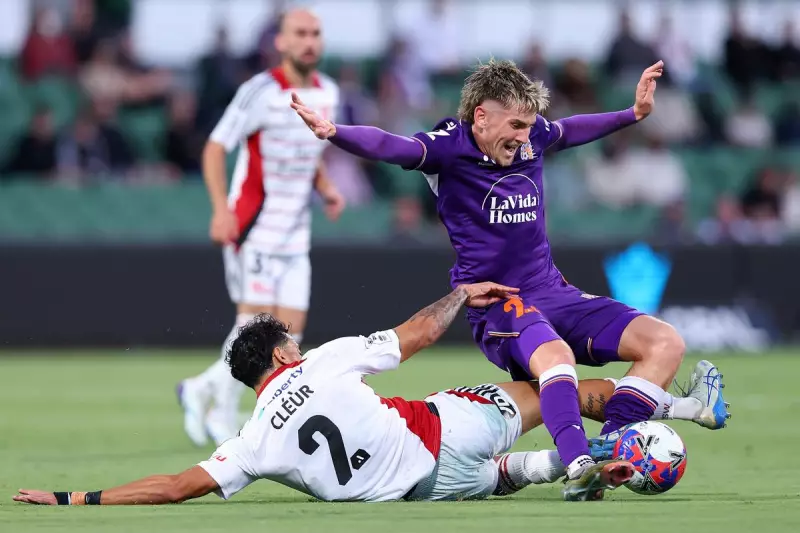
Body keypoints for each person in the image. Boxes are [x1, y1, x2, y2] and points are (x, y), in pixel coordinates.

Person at [289, 58, 730, 485]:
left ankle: (615, 446)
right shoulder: (448, 147)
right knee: (557, 363)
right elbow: (393, 145)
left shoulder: (533, 134)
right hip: (498, 302)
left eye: (528, 125)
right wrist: (335, 133)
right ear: (481, 117)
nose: (525, 136)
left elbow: (569, 130)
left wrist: (631, 114)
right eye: (515, 126)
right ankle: (580, 465)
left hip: (552, 290)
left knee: (664, 343)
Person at [13, 282, 638, 506]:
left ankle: (552, 467)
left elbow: (176, 488)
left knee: (503, 474)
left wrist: (76, 497)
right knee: (549, 385)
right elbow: (418, 334)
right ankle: (662, 413)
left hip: (422, 492)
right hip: (445, 431)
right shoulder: (326, 358)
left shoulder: (252, 442)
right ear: (285, 355)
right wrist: (461, 293)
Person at [177, 8, 345, 447]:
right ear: (282, 42)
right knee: (251, 329)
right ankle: (226, 413)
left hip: (295, 234)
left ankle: (201, 390)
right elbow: (215, 148)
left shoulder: (328, 92)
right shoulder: (260, 91)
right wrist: (220, 209)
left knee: (289, 338)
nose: (309, 41)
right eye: (300, 34)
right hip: (253, 228)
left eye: (315, 33)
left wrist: (326, 187)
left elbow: (307, 153)